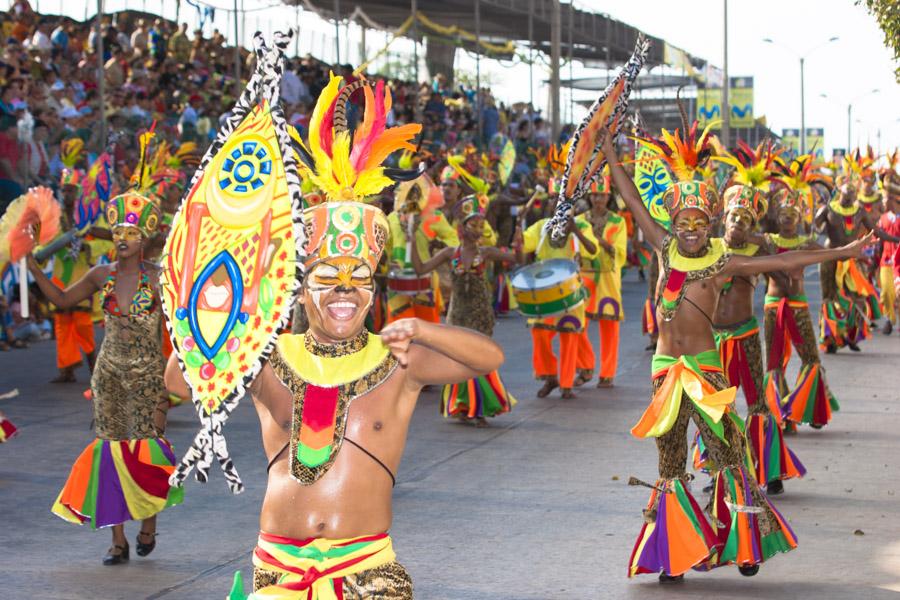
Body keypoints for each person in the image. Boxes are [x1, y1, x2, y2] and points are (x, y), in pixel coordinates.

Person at [166, 71, 504, 599]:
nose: (343, 289)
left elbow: (489, 357)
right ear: (300, 289)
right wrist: (219, 307)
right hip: (277, 569)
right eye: (326, 277)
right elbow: (181, 383)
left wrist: (421, 327)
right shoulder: (266, 353)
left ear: (374, 289)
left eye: (358, 278)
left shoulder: (398, 360)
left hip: (369, 569)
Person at [599, 126, 871, 582]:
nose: (690, 231)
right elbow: (630, 197)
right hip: (666, 372)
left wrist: (844, 250)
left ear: (709, 224)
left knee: (729, 452)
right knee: (670, 462)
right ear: (672, 224)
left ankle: (745, 544)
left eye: (698, 223)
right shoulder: (663, 247)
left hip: (706, 370)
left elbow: (785, 263)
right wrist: (608, 150)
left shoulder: (723, 261)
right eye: (682, 222)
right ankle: (676, 553)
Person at [30, 181, 182, 565]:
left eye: (131, 232)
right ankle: (118, 540)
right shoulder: (101, 274)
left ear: (145, 237)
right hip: (110, 373)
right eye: (118, 232)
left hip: (149, 375)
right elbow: (63, 299)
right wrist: (33, 267)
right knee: (111, 454)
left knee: (149, 452)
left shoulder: (162, 278)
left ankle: (148, 524)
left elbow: (187, 327)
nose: (123, 238)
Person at [713, 183, 804, 495]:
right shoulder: (708, 249)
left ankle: (770, 469)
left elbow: (784, 282)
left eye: (745, 220)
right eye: (734, 217)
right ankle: (721, 472)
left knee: (757, 404)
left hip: (746, 335)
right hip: (713, 341)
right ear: (724, 219)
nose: (738, 223)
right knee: (716, 407)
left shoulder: (756, 250)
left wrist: (765, 250)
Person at [411, 194, 519, 426]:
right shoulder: (450, 253)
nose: (478, 230)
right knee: (459, 359)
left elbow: (516, 258)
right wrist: (412, 236)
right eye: (474, 224)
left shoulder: (487, 252)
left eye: (481, 225)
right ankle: (463, 405)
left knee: (478, 358)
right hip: (458, 313)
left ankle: (479, 407)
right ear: (462, 227)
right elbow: (421, 269)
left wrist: (518, 234)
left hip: (480, 315)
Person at [516, 193, 598, 399]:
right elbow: (522, 245)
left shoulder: (581, 225)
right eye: (554, 199)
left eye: (563, 201)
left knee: (569, 333)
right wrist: (519, 221)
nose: (558, 204)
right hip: (544, 291)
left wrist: (576, 231)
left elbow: (593, 250)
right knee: (538, 330)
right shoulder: (542, 226)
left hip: (570, 290)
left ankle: (567, 383)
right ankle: (550, 376)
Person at [815, 164, 900, 352]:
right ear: (840, 194)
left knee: (858, 298)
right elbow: (814, 229)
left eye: (852, 196)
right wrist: (819, 220)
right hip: (829, 258)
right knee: (828, 299)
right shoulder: (829, 209)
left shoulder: (859, 212)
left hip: (850, 260)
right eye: (846, 195)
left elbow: (876, 231)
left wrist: (896, 238)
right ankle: (830, 340)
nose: (849, 199)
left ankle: (851, 335)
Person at [575, 176, 627, 388]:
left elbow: (619, 251)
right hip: (584, 276)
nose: (599, 199)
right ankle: (586, 366)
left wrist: (597, 241)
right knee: (577, 324)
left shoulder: (618, 221)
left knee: (610, 328)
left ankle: (607, 372)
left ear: (608, 196)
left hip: (608, 278)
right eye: (595, 195)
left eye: (603, 195)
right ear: (590, 196)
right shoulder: (578, 221)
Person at [877, 171, 900, 334]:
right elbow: (878, 240)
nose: (883, 203)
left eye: (885, 199)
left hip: (899, 263)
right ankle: (889, 319)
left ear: (893, 199)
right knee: (886, 293)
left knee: (898, 293)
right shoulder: (883, 218)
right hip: (885, 261)